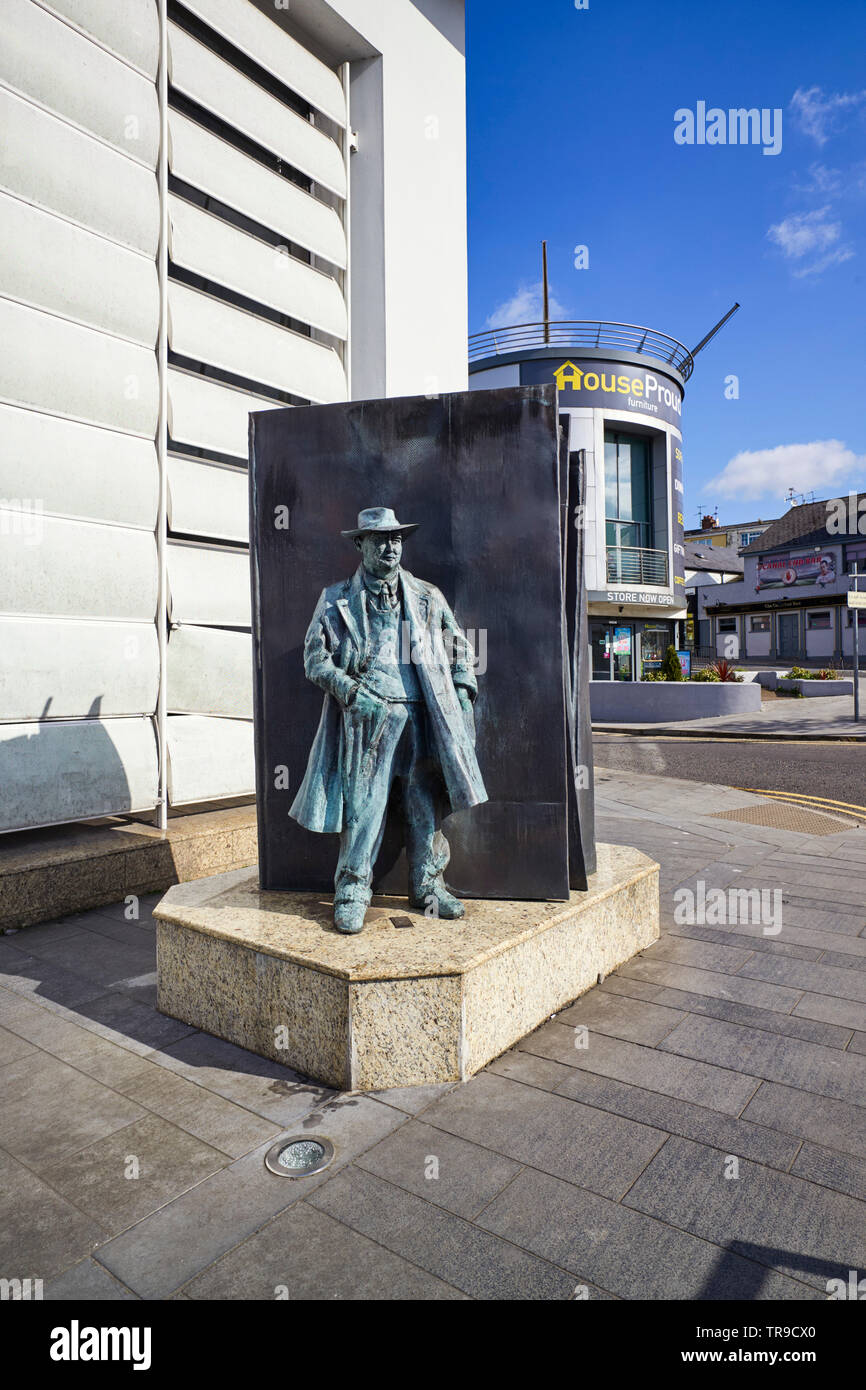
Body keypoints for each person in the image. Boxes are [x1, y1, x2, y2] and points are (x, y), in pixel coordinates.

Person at [290, 507, 487, 934]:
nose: (390, 547)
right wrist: (351, 691)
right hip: (370, 716)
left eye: (396, 539)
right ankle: (352, 890)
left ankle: (428, 885)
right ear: (360, 544)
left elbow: (458, 649)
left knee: (425, 806)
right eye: (380, 540)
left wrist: (463, 691)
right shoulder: (335, 599)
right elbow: (315, 659)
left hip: (423, 715)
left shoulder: (426, 596)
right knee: (364, 807)